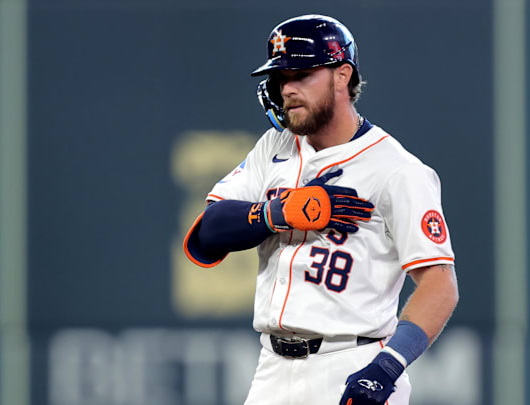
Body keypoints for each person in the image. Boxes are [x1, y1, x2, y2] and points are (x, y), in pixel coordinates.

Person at [183, 14, 459, 405]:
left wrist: (386, 368)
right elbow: (206, 235)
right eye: (281, 78)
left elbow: (440, 286)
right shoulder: (273, 147)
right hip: (271, 369)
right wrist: (275, 213)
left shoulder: (397, 170)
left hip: (351, 362)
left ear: (343, 75)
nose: (288, 88)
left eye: (301, 74)